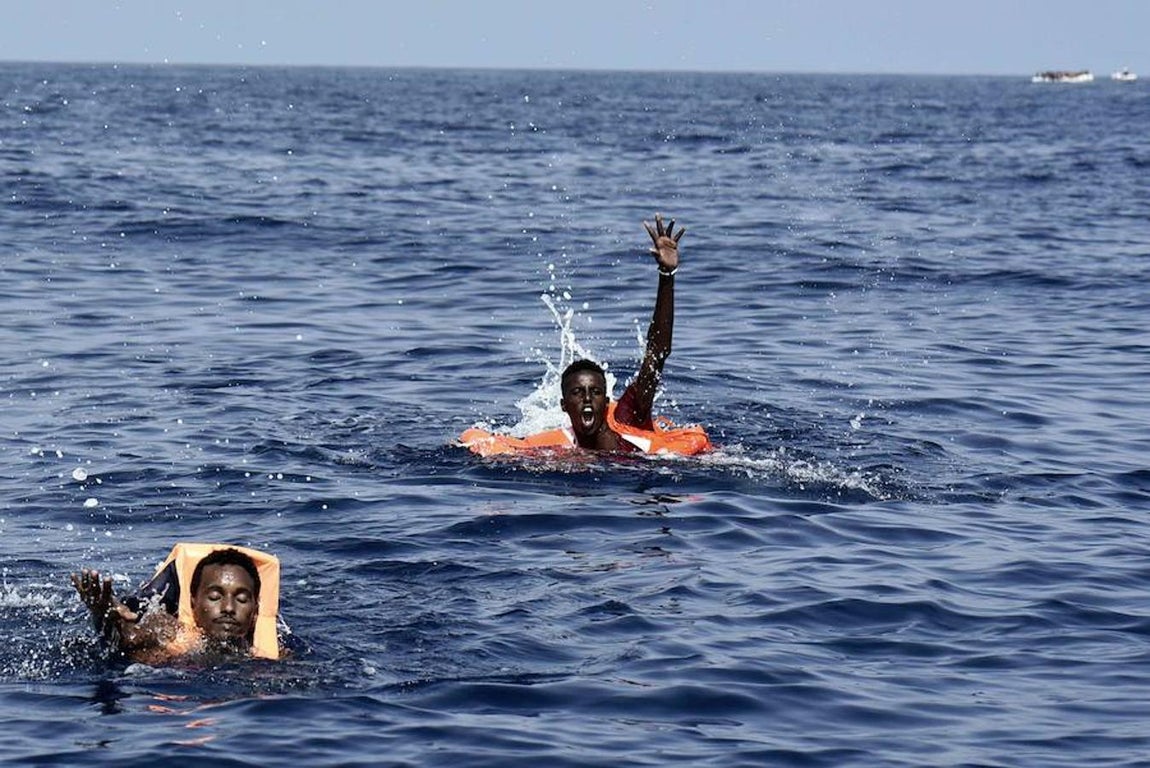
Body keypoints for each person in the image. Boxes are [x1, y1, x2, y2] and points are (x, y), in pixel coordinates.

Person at [461, 213, 711, 457]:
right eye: (578, 393)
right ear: (563, 405)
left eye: (595, 392)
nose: (588, 399)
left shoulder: (628, 417)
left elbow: (657, 354)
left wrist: (666, 276)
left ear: (607, 400)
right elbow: (491, 444)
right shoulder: (555, 447)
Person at [72, 542, 283, 664]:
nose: (228, 608)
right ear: (194, 601)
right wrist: (104, 618)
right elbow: (128, 641)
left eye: (242, 599)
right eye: (215, 596)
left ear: (256, 608)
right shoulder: (168, 630)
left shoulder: (277, 653)